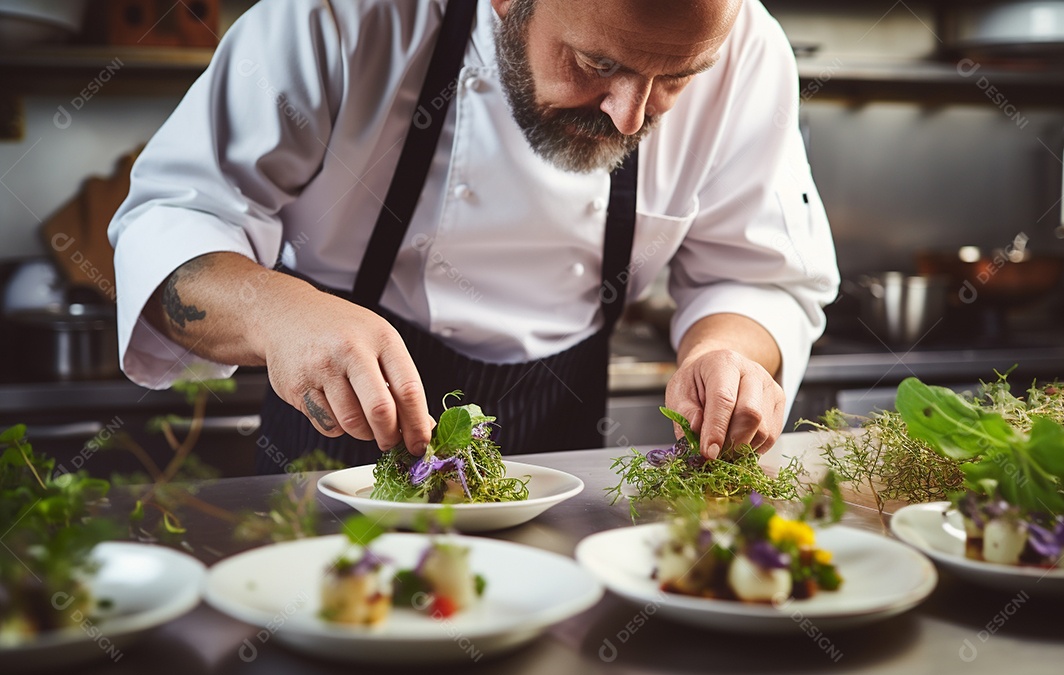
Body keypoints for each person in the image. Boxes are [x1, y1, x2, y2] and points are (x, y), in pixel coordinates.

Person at [109, 0, 839, 473]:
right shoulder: (335, 18)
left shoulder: (748, 52)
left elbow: (759, 274)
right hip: (330, 470)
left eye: (677, 77)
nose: (628, 116)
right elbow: (171, 225)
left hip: (562, 466)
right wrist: (279, 314)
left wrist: (727, 352)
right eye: (598, 65)